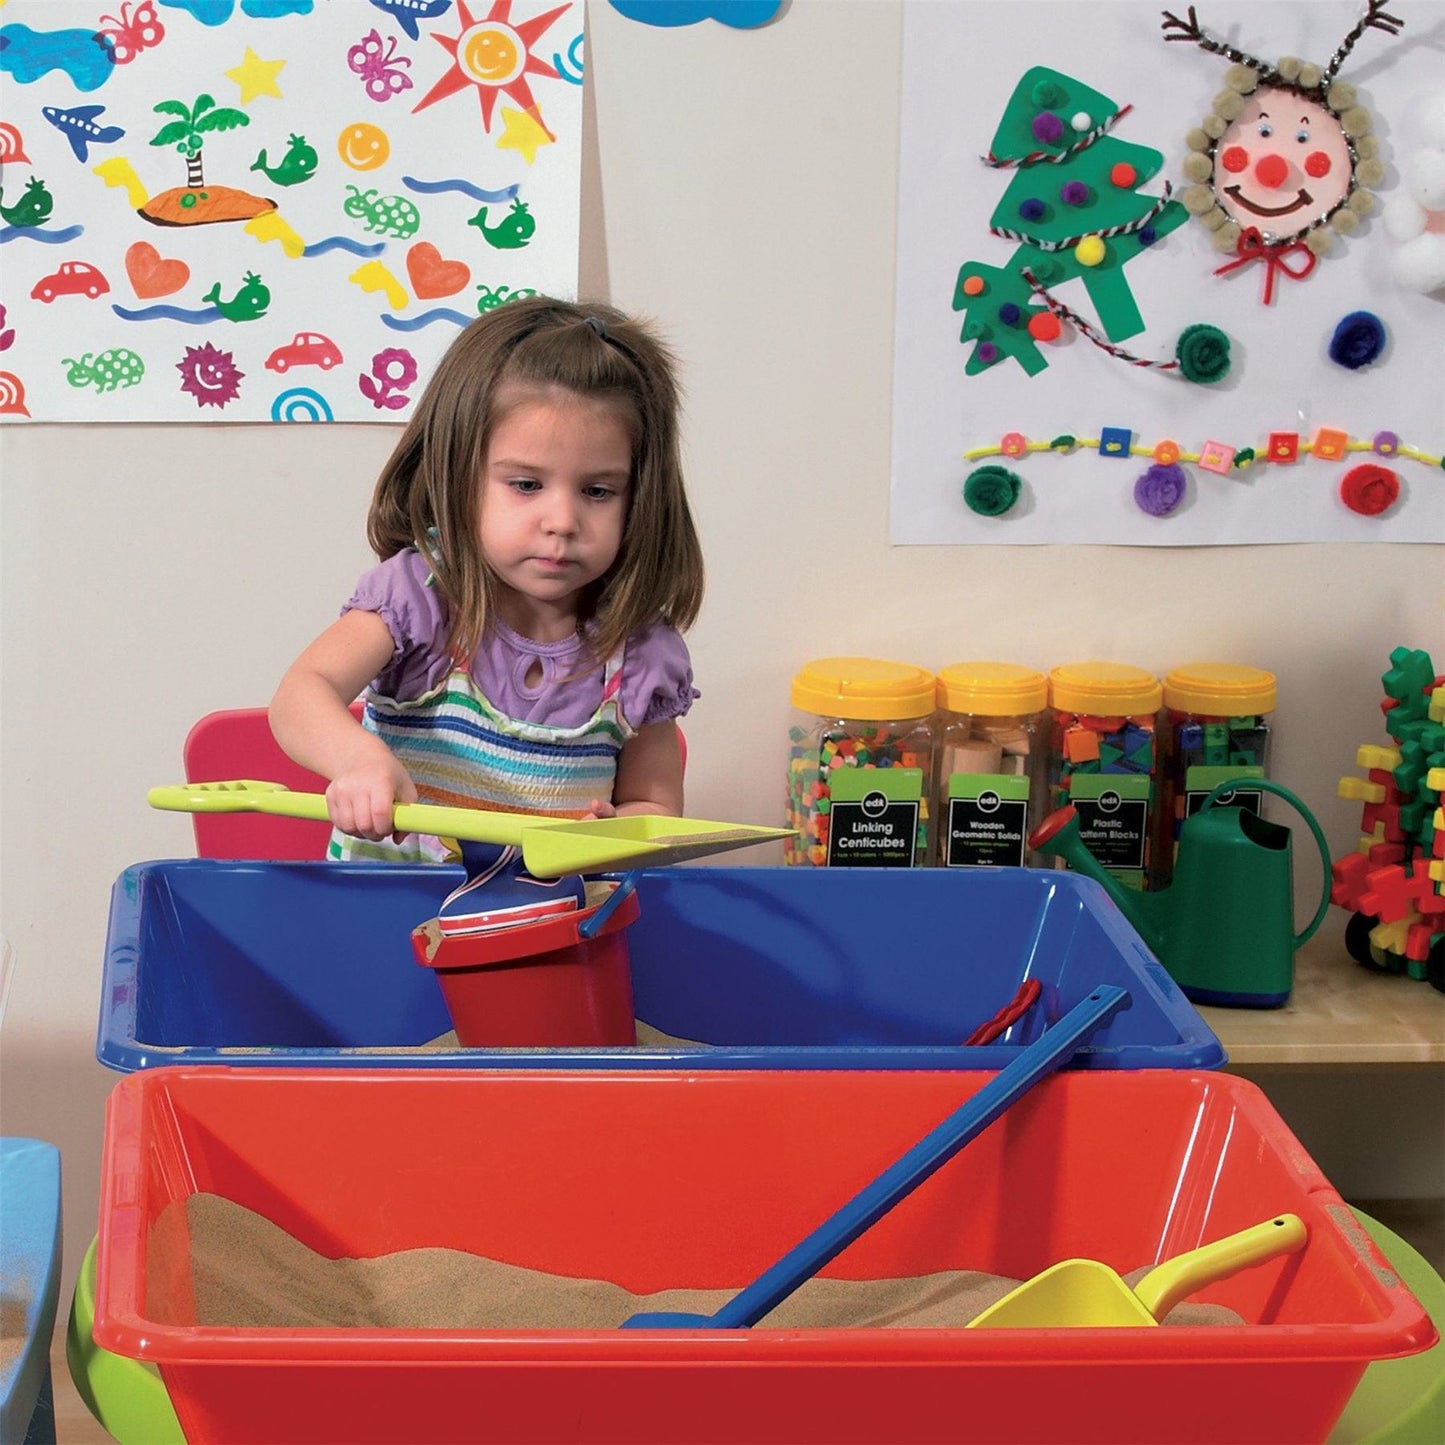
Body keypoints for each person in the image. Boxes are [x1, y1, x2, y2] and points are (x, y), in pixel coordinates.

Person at [270, 296, 705, 863]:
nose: (562, 522)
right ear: (459, 475)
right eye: (525, 485)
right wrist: (358, 761)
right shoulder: (420, 598)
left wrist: (625, 829)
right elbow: (301, 696)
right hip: (386, 924)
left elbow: (655, 806)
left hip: (546, 930)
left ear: (641, 498)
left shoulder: (642, 655)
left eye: (598, 491)